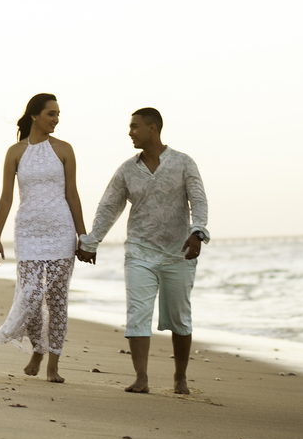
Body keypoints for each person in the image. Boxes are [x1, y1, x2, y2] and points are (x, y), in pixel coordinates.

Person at [76, 108, 209, 395]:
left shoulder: (184, 163)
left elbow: (198, 200)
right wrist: (91, 240)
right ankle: (141, 377)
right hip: (139, 251)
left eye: (135, 127)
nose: (130, 132)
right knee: (137, 312)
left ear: (153, 128)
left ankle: (180, 378)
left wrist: (198, 232)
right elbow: (109, 206)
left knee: (180, 316)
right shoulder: (127, 169)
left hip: (178, 252)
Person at [0, 93, 88, 383]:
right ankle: (38, 348)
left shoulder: (65, 150)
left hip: (60, 230)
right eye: (51, 114)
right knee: (30, 294)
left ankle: (53, 364)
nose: (56, 119)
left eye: (58, 114)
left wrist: (84, 236)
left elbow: (72, 194)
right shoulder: (15, 152)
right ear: (35, 115)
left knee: (57, 299)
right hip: (28, 232)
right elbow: (7, 196)